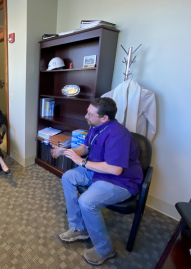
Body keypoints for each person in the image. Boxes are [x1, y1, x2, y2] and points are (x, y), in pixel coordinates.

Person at [52, 97, 143, 266]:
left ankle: (104, 250)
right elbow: (85, 148)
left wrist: (82, 162)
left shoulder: (118, 134)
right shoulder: (95, 127)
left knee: (86, 201)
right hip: (97, 172)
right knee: (68, 177)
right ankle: (79, 228)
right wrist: (65, 152)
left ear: (104, 117)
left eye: (90, 113)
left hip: (120, 181)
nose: (85, 115)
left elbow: (116, 169)